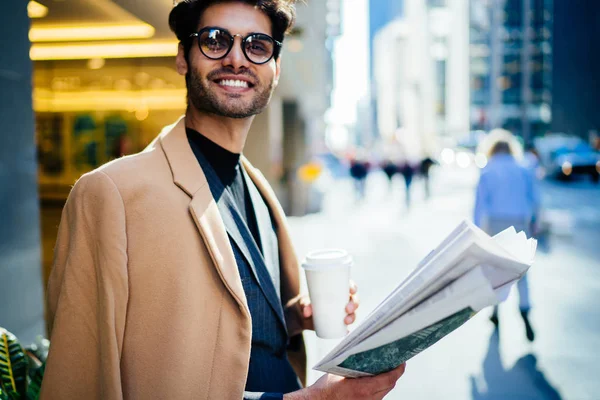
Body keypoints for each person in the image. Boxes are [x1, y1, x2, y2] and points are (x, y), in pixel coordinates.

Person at [40, 1, 406, 399]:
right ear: (183, 57)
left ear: (276, 69)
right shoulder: (111, 194)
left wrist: (295, 316)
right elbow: (81, 380)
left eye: (258, 45)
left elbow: (222, 335)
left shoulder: (258, 188)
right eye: (215, 40)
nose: (236, 58)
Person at [474, 140, 540, 342]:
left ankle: (495, 312)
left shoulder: (488, 171)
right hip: (520, 222)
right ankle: (525, 309)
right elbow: (535, 199)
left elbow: (479, 205)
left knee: (497, 270)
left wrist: (477, 233)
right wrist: (535, 221)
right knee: (521, 270)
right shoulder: (523, 169)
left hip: (496, 223)